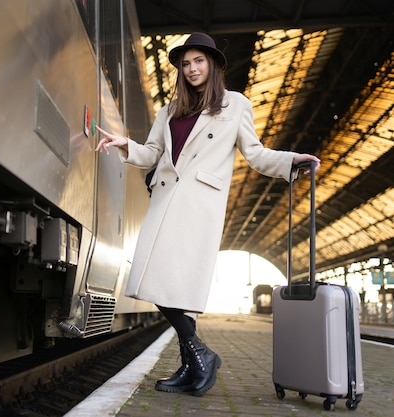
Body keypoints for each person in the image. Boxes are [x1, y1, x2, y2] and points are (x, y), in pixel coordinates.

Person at [95, 32, 320, 397]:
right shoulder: (170, 110)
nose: (192, 68)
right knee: (149, 278)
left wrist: (291, 160)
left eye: (198, 61)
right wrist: (127, 146)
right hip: (165, 200)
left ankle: (194, 362)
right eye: (185, 64)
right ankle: (199, 357)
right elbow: (153, 153)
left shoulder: (235, 105)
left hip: (199, 205)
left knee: (176, 285)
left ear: (213, 65)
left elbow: (256, 153)